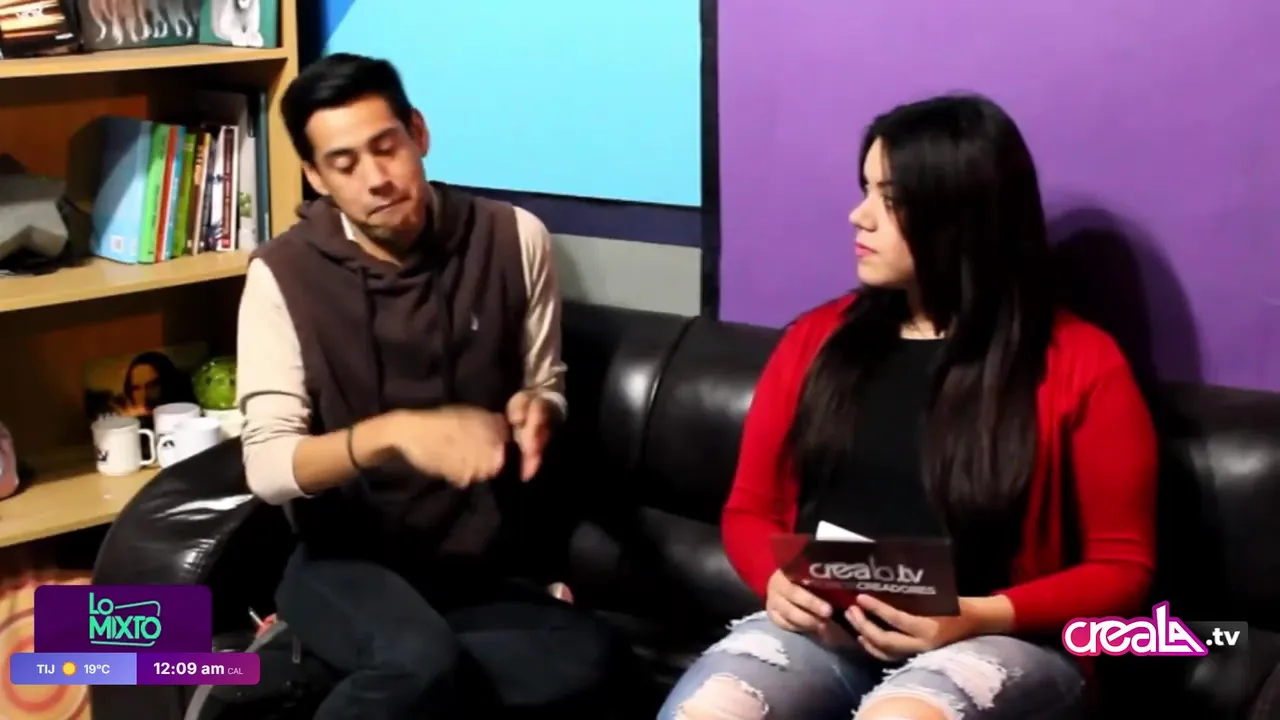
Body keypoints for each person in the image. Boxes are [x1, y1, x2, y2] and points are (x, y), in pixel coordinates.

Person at [659, 94, 1157, 719]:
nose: (859, 216)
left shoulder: (1083, 363)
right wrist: (774, 581)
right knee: (713, 710)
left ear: (959, 217)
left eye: (890, 199)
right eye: (865, 189)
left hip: (1000, 638)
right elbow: (750, 508)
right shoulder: (817, 339)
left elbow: (1122, 567)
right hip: (828, 631)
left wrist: (976, 615)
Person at [236, 53, 618, 718]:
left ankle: (314, 668)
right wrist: (394, 435)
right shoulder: (282, 274)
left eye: (387, 147)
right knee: (416, 661)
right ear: (316, 176)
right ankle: (359, 659)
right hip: (344, 561)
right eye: (344, 164)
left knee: (595, 660)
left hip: (477, 568)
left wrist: (539, 409)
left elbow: (546, 381)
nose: (377, 180)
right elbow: (268, 469)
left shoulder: (512, 237)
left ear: (419, 133)